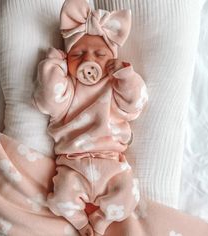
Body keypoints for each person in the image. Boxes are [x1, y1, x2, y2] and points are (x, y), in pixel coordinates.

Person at [32, 1, 148, 234]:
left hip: (111, 162)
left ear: (112, 57)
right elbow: (47, 101)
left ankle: (100, 221)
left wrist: (125, 75)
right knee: (61, 197)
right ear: (67, 57)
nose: (88, 60)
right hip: (72, 163)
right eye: (78, 54)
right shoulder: (67, 89)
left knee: (129, 196)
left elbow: (136, 104)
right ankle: (81, 223)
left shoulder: (115, 86)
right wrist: (53, 66)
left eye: (100, 54)